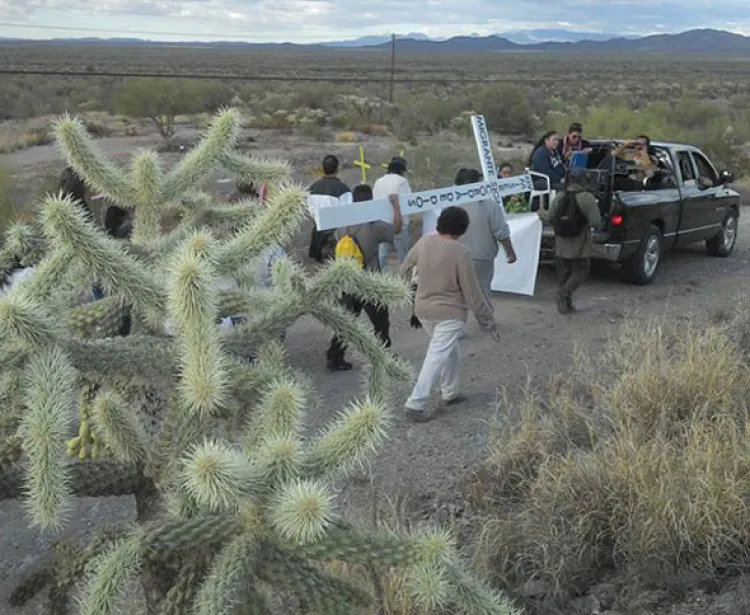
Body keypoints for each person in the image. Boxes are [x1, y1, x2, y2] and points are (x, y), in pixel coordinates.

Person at [400, 206, 499, 422]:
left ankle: (450, 392)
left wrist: (413, 288)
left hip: (423, 309)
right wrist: (487, 320)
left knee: (448, 350)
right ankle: (415, 403)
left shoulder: (424, 242)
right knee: (437, 355)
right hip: (451, 313)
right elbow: (472, 292)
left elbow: (404, 269)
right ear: (462, 228)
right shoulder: (460, 251)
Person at [326, 184, 403, 371]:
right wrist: (395, 205)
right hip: (370, 282)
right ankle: (381, 354)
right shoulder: (374, 225)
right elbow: (397, 229)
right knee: (381, 322)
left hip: (347, 280)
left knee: (346, 321)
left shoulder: (342, 224)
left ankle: (335, 355)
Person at [537, 171, 601, 315]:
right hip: (580, 243)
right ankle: (563, 294)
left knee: (564, 274)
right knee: (581, 271)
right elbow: (596, 222)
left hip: (561, 243)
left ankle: (565, 305)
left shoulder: (560, 196)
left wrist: (540, 212)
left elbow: (549, 218)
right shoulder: (587, 198)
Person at [454, 168, 517, 305]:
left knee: (455, 292)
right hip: (480, 256)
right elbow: (501, 232)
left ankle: (455, 322)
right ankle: (486, 322)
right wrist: (510, 253)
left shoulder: (449, 203)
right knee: (481, 292)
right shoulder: (489, 205)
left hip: (454, 255)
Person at [308, 155, 351, 263]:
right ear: (337, 168)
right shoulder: (343, 190)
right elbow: (348, 213)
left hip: (317, 232)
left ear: (323, 168)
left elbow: (310, 209)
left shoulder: (313, 188)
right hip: (336, 236)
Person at [374, 156, 412, 270]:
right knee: (405, 259)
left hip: (382, 225)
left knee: (382, 259)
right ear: (401, 170)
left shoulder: (378, 181)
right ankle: (406, 284)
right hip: (399, 225)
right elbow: (407, 203)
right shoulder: (402, 182)